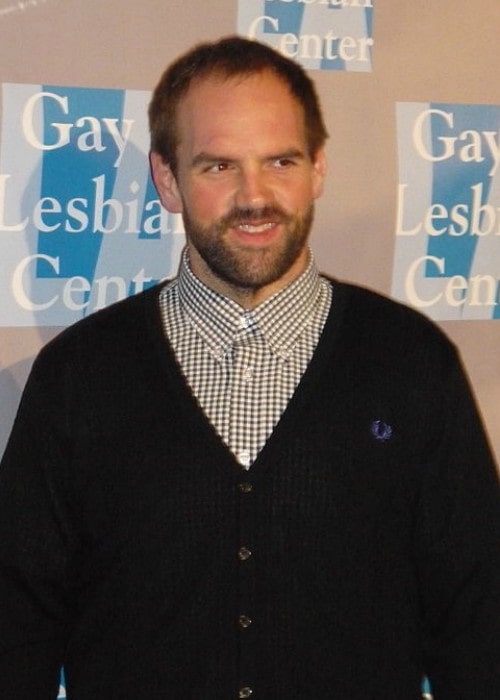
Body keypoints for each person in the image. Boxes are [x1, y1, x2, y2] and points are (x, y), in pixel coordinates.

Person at [0, 36, 499, 700]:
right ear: (167, 180)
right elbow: (17, 628)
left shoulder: (412, 364)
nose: (254, 196)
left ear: (318, 168)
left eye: (281, 161)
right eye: (218, 167)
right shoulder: (78, 377)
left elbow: (478, 623)